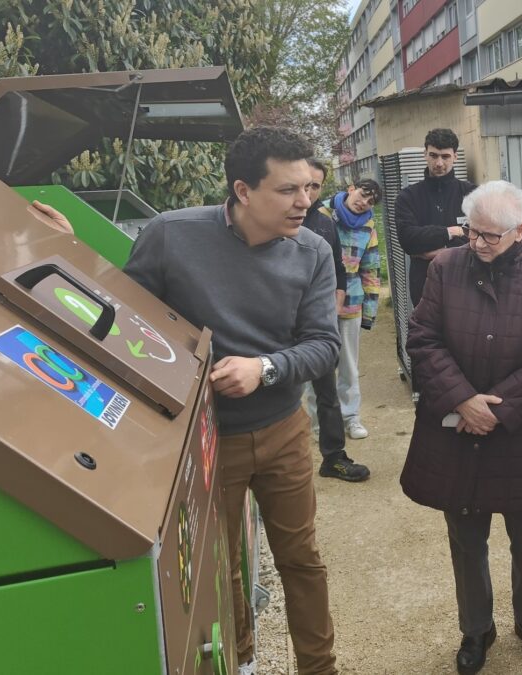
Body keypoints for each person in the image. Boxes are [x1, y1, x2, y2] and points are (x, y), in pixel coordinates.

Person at [124, 126, 341, 675]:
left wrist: (265, 368)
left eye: (308, 188)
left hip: (282, 426)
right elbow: (129, 320)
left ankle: (320, 667)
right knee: (221, 564)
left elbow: (324, 347)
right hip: (201, 438)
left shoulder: (313, 250)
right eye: (288, 190)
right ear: (243, 191)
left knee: (301, 559)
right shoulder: (171, 235)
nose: (304, 201)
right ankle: (240, 659)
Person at [400, 180, 522, 674]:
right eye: (472, 232)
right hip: (457, 428)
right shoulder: (445, 267)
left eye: (489, 237)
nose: (476, 244)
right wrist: (462, 399)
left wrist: (498, 408)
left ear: (520, 231)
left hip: (520, 431)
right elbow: (424, 337)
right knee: (466, 537)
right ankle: (476, 628)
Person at [301, 158, 371, 479]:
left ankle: (334, 456)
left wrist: (335, 303)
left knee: (327, 386)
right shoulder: (273, 219)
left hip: (320, 319)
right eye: (304, 184)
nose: (308, 192)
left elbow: (339, 272)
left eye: (315, 186)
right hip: (280, 321)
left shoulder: (324, 224)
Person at [325, 176, 383, 441]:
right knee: (318, 364)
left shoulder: (368, 228)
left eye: (370, 201)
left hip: (351, 304)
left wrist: (370, 311)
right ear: (351, 189)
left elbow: (371, 270)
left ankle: (351, 418)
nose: (363, 202)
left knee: (348, 365)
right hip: (318, 302)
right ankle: (320, 423)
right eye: (362, 194)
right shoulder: (322, 215)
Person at [394, 127, 476, 307]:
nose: (439, 163)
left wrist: (438, 251)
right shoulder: (407, 197)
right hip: (424, 286)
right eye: (434, 155)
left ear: (455, 156)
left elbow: (480, 240)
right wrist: (452, 231)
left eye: (445, 156)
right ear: (425, 154)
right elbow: (408, 240)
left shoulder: (472, 194)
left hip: (467, 283)